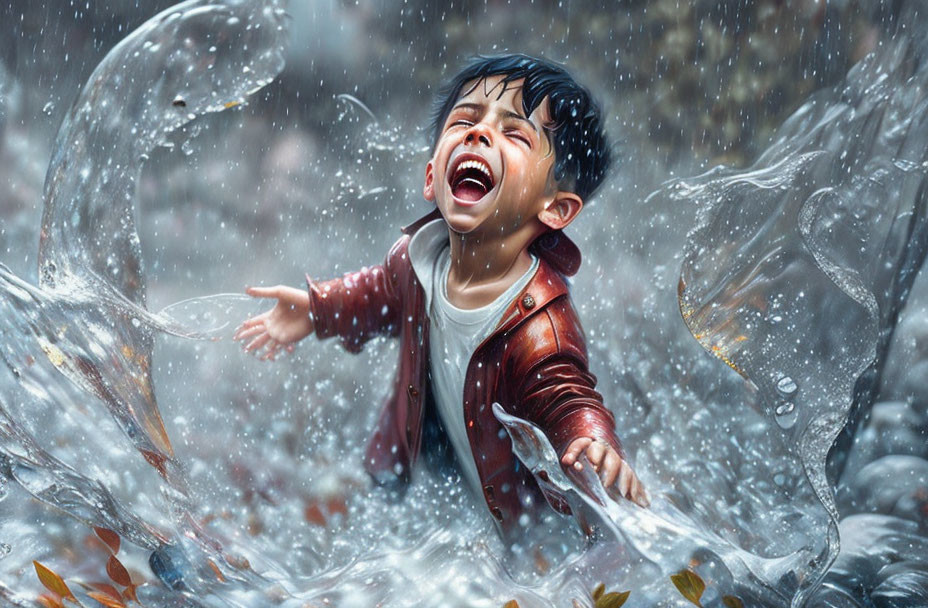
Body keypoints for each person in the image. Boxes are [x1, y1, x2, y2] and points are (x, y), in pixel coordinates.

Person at [233, 54, 649, 541]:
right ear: (432, 177)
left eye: (515, 134)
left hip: (520, 524)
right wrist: (316, 308)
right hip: (422, 476)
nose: (478, 134)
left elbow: (566, 395)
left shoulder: (539, 323)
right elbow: (375, 296)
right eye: (465, 121)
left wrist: (594, 441)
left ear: (556, 208)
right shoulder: (419, 261)